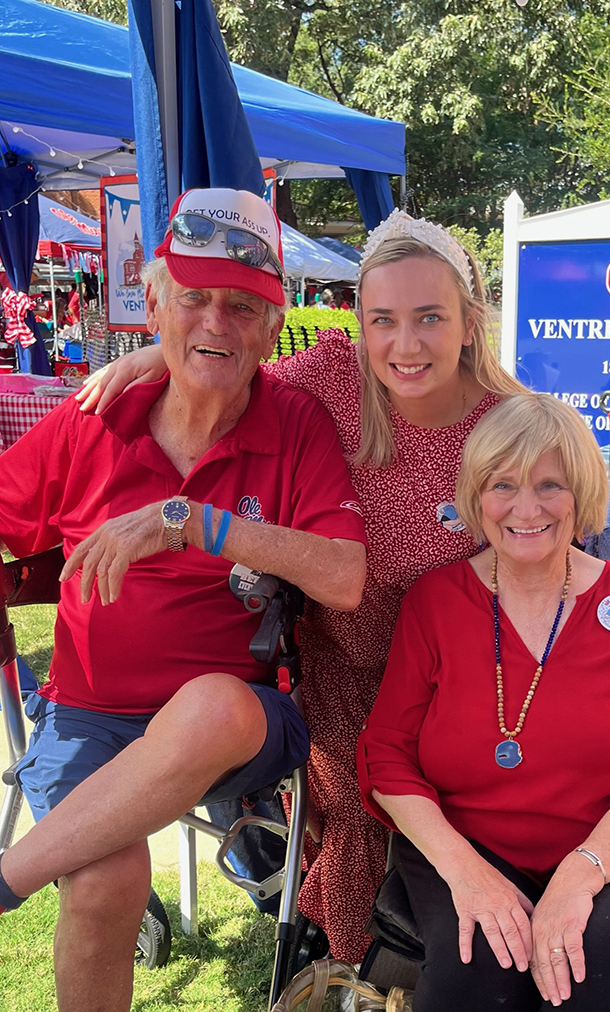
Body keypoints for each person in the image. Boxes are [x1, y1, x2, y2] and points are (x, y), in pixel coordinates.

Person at [77, 208, 525, 960]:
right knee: (365, 798)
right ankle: (360, 967)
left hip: (479, 683)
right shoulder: (336, 377)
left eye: (430, 318)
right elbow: (229, 359)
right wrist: (151, 360)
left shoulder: (510, 425)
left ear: (470, 322)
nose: (405, 345)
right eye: (383, 319)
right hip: (349, 680)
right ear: (360, 322)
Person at [0, 187, 367, 1012]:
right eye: (193, 297)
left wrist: (190, 522)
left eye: (243, 306)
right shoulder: (95, 418)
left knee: (210, 706)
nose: (215, 323)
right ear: (154, 299)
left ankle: (3, 882)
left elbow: (344, 578)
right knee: (105, 871)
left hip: (238, 728)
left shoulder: (297, 420)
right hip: (90, 713)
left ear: (274, 327)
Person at [358, 392, 610, 1012]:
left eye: (550, 486)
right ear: (476, 496)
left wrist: (581, 875)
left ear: (581, 493)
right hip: (470, 841)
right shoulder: (434, 602)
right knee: (473, 972)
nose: (526, 508)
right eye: (502, 485)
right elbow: (387, 759)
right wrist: (466, 873)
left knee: (605, 961)